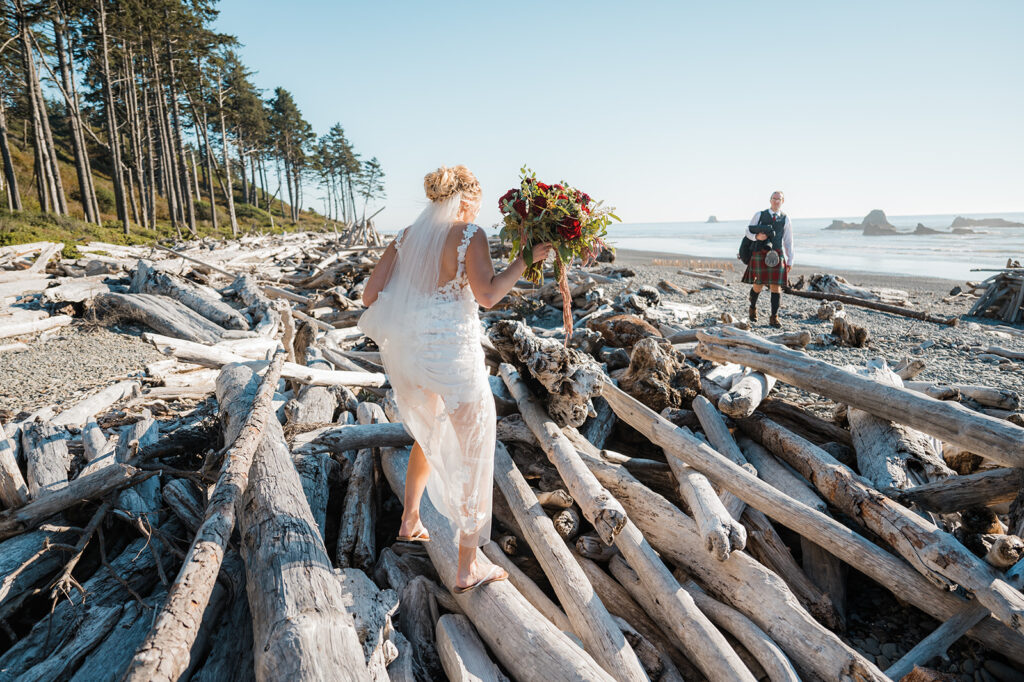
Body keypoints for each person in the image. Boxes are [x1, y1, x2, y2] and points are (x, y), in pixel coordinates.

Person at [359, 165, 552, 593]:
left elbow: (369, 296)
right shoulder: (470, 234)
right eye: (477, 201)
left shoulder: (407, 236)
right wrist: (526, 259)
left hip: (414, 357)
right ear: (466, 199)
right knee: (472, 451)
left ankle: (411, 520)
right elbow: (487, 295)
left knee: (427, 434)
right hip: (454, 358)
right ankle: (468, 567)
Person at [741, 190, 794, 327]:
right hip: (760, 252)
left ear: (782, 202)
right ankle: (752, 307)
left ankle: (774, 317)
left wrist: (790, 259)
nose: (777, 201)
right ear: (770, 200)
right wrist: (756, 237)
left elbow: (788, 241)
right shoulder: (760, 214)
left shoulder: (785, 218)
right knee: (758, 285)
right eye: (774, 198)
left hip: (777, 253)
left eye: (779, 199)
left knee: (776, 287)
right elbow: (748, 230)